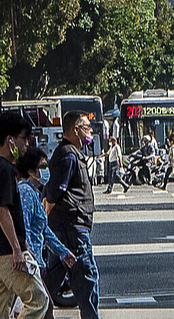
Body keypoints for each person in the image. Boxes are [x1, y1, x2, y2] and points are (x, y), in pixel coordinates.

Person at [0, 112, 49, 319]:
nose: (26, 144)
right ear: (10, 140)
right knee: (38, 300)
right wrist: (18, 250)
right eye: (23, 138)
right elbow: (2, 211)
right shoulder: (4, 170)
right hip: (6, 251)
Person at [44, 111, 101, 319]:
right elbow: (54, 191)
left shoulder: (70, 154)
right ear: (75, 130)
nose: (90, 131)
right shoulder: (68, 155)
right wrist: (47, 211)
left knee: (55, 276)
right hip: (72, 227)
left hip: (67, 226)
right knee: (86, 277)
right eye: (86, 127)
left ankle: (35, 311)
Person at [19, 147, 78, 314]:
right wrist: (31, 258)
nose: (47, 171)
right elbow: (25, 229)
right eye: (43, 167)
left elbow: (44, 231)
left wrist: (63, 252)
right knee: (43, 307)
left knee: (44, 307)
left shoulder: (34, 193)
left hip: (36, 262)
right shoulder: (25, 193)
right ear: (31, 171)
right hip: (30, 263)